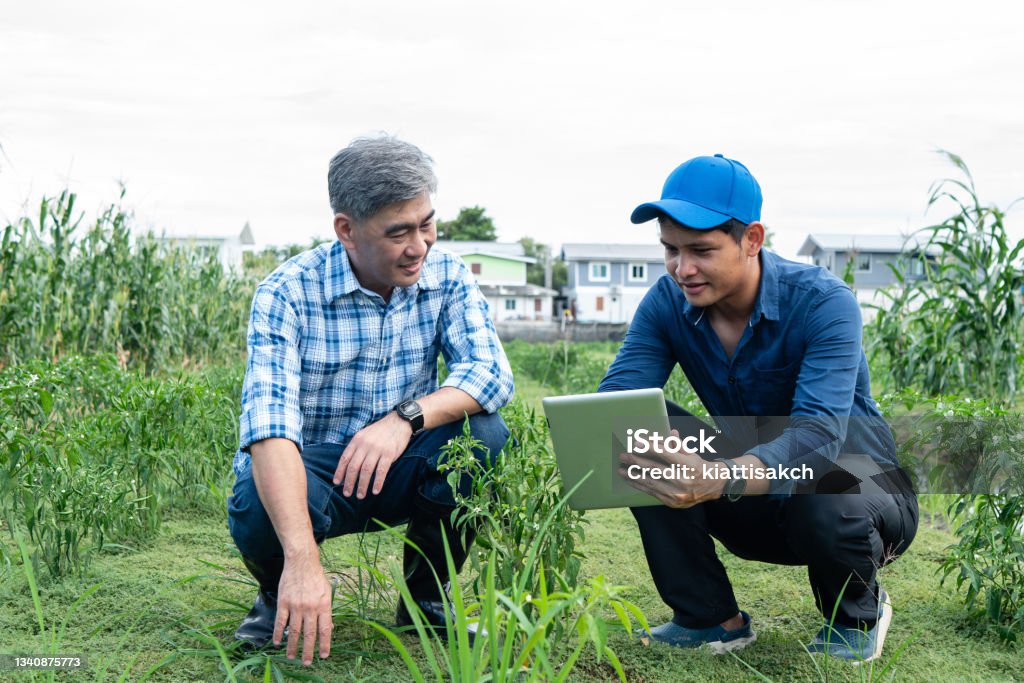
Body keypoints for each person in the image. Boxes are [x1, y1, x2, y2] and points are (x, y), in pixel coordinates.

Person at [599, 154, 918, 663]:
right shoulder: (667, 301)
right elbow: (614, 403)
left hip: (860, 494)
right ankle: (709, 618)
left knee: (825, 482)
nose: (683, 269)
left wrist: (718, 477)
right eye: (670, 250)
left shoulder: (823, 303)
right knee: (639, 430)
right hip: (754, 491)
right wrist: (611, 439)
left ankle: (857, 614)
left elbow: (819, 437)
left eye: (701, 250)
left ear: (752, 239)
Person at [227, 135, 514, 666]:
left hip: (399, 461)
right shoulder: (286, 292)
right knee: (253, 490)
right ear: (347, 230)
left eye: (427, 224)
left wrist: (404, 419)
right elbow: (269, 426)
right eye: (398, 232)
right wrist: (303, 559)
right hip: (313, 476)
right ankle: (281, 590)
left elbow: (491, 374)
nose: (419, 246)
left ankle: (427, 601)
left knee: (485, 436)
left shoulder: (447, 276)